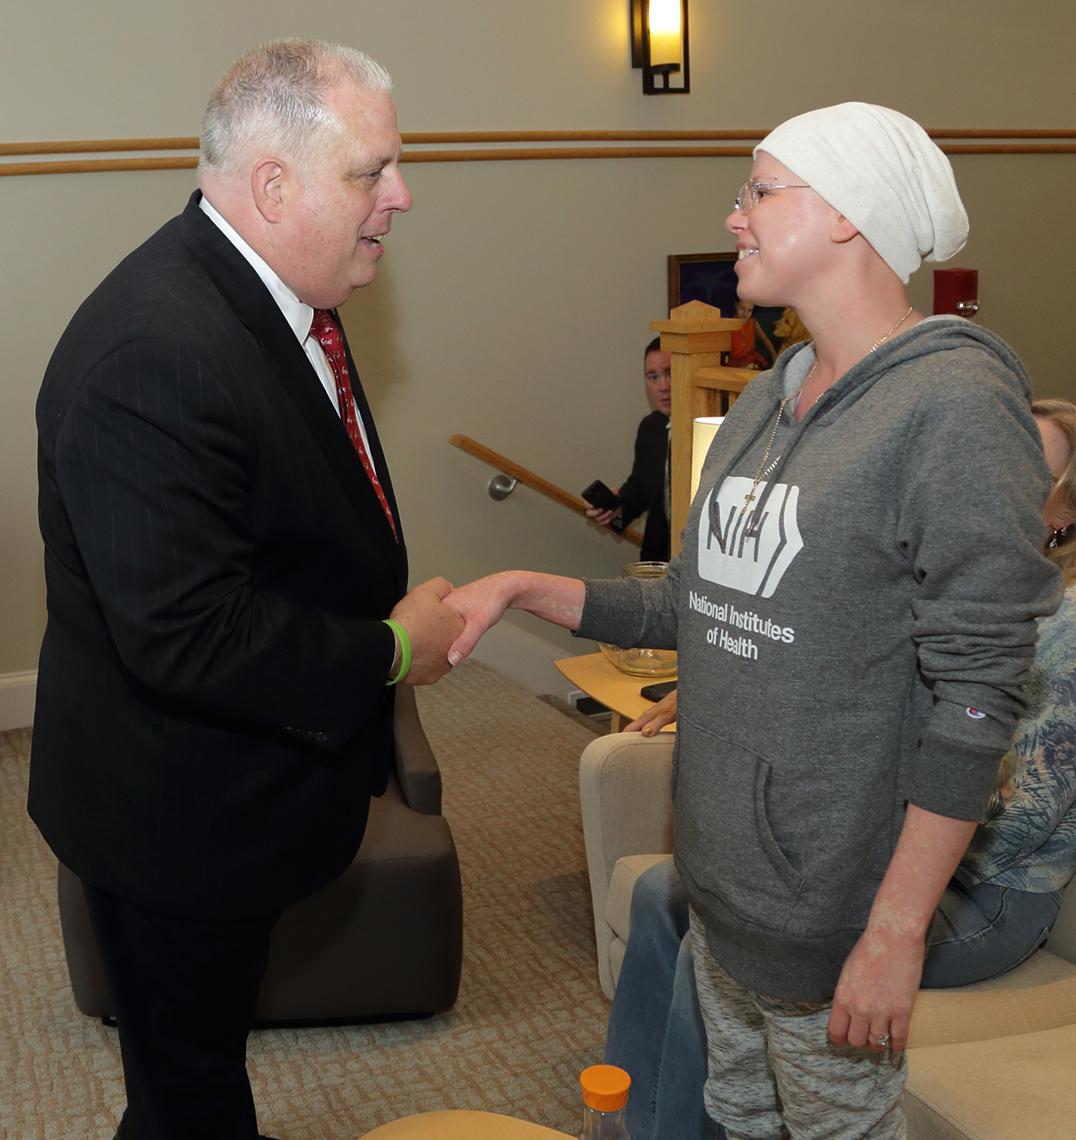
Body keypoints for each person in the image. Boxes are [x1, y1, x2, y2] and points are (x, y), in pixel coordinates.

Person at [443, 102, 1063, 1138]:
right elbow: (695, 603)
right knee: (732, 1116)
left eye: (758, 190)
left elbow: (975, 693)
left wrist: (895, 931)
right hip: (727, 884)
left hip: (833, 906)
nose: (733, 217)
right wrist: (524, 587)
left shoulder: (951, 405)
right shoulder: (764, 403)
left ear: (844, 219)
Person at [30, 39, 462, 1140]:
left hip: (236, 792)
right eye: (373, 172)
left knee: (202, 1073)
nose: (400, 197)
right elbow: (191, 638)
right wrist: (395, 649)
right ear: (274, 186)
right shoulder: (156, 351)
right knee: (186, 1098)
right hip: (173, 817)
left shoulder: (280, 288)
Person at [608, 398, 1076, 1139]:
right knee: (678, 892)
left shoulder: (1063, 624)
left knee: (734, 937)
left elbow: (1016, 821)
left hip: (987, 894)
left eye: (1031, 475)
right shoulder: (932, 576)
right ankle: (634, 1120)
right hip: (881, 848)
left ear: (1063, 514)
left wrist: (860, 811)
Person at [586, 337, 673, 561]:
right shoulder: (651, 427)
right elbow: (641, 488)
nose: (663, 386)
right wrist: (616, 510)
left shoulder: (718, 425)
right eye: (653, 377)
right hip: (658, 562)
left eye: (670, 373)